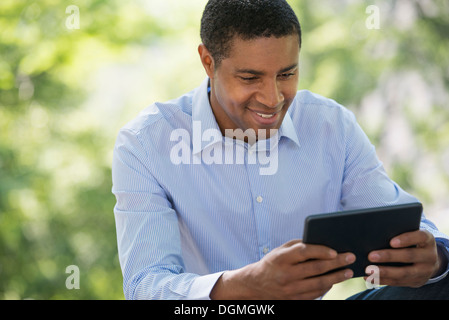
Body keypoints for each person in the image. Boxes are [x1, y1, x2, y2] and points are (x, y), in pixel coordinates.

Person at [112, 0, 449, 300]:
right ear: (207, 61)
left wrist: (433, 260)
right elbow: (145, 286)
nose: (273, 99)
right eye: (249, 78)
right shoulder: (146, 144)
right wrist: (245, 287)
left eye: (287, 74)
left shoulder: (331, 125)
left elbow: (404, 223)